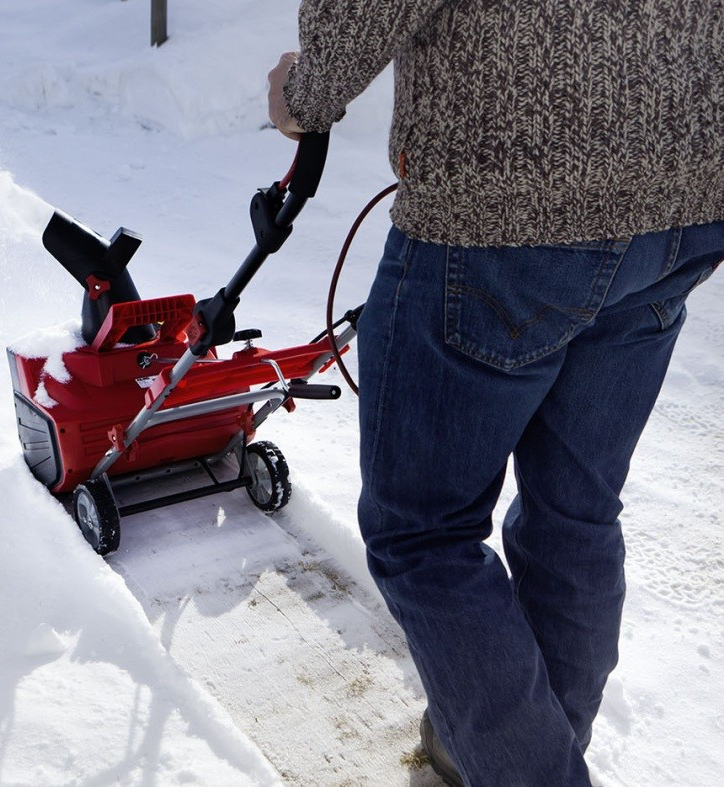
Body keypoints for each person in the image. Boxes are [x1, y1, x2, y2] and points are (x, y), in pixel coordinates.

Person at [268, 2, 724, 785]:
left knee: (423, 534)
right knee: (574, 512)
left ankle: (529, 766)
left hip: (505, 206)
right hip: (680, 205)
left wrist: (304, 91)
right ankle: (516, 745)